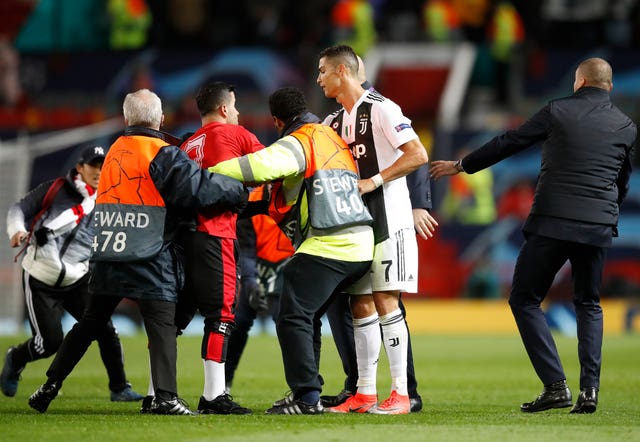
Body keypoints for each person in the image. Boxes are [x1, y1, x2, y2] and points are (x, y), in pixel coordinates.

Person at [430, 58, 636, 414]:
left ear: (579, 81)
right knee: (588, 303)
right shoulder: (626, 126)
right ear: (609, 87)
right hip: (597, 226)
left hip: (553, 221)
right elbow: (622, 180)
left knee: (524, 298)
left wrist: (462, 165)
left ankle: (556, 386)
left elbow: (510, 141)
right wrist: (605, 214)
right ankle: (590, 390)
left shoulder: (557, 110)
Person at [27, 88, 248, 415]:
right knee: (162, 326)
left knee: (89, 324)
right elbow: (197, 190)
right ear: (160, 119)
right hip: (148, 254)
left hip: (106, 252)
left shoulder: (115, 148)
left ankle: (49, 385)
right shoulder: (159, 151)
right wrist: (238, 189)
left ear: (127, 118)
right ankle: (166, 398)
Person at [210, 86, 374, 415]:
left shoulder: (301, 140)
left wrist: (204, 172)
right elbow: (281, 190)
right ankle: (337, 389)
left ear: (276, 121)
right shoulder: (330, 137)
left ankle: (306, 398)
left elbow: (257, 167)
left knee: (292, 316)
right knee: (311, 317)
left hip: (330, 243)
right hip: (360, 241)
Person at [320, 54, 438, 413]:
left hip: (390, 216)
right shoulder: (332, 121)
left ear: (343, 71)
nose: (319, 79)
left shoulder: (383, 108)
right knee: (360, 305)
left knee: (387, 300)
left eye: (323, 71)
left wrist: (374, 180)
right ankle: (365, 393)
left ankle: (402, 393)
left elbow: (417, 154)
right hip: (354, 223)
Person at [2, 146, 143, 403]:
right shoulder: (55, 189)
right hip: (41, 277)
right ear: (80, 167)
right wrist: (16, 230)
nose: (99, 172)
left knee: (105, 328)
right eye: (94, 165)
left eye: (103, 166)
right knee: (50, 342)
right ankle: (16, 357)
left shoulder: (109, 198)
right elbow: (19, 209)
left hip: (77, 277)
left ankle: (119, 387)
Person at [176, 81, 262, 415]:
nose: (238, 112)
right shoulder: (232, 135)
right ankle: (214, 396)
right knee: (222, 314)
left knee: (176, 317)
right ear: (224, 109)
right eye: (235, 106)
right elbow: (269, 167)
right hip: (217, 233)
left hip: (185, 236)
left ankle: (159, 392)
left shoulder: (188, 144)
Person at [225, 185, 294, 393]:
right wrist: (250, 282)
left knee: (288, 327)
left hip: (289, 266)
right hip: (258, 267)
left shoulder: (298, 192)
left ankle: (301, 390)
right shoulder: (252, 198)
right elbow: (246, 248)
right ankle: (222, 384)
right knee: (238, 324)